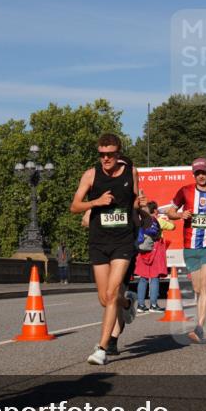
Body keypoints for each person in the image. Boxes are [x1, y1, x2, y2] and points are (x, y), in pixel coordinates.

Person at [71, 134, 145, 364]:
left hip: (123, 240)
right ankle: (128, 303)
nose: (105, 159)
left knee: (112, 293)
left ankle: (102, 348)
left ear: (118, 153)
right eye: (102, 154)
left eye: (110, 154)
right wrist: (96, 202)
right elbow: (75, 206)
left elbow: (135, 199)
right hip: (99, 241)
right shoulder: (91, 175)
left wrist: (139, 205)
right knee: (105, 299)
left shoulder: (131, 171)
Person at [167, 157, 206, 344]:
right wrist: (180, 214)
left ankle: (199, 327)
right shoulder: (185, 191)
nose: (201, 176)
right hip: (190, 247)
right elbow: (170, 212)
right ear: (194, 174)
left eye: (203, 172)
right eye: (197, 173)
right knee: (197, 288)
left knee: (205, 285)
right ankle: (199, 323)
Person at [135, 201, 168, 313]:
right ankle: (153, 305)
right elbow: (172, 226)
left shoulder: (141, 221)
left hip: (142, 251)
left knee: (143, 278)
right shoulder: (157, 221)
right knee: (154, 277)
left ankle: (140, 305)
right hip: (154, 251)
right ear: (155, 210)